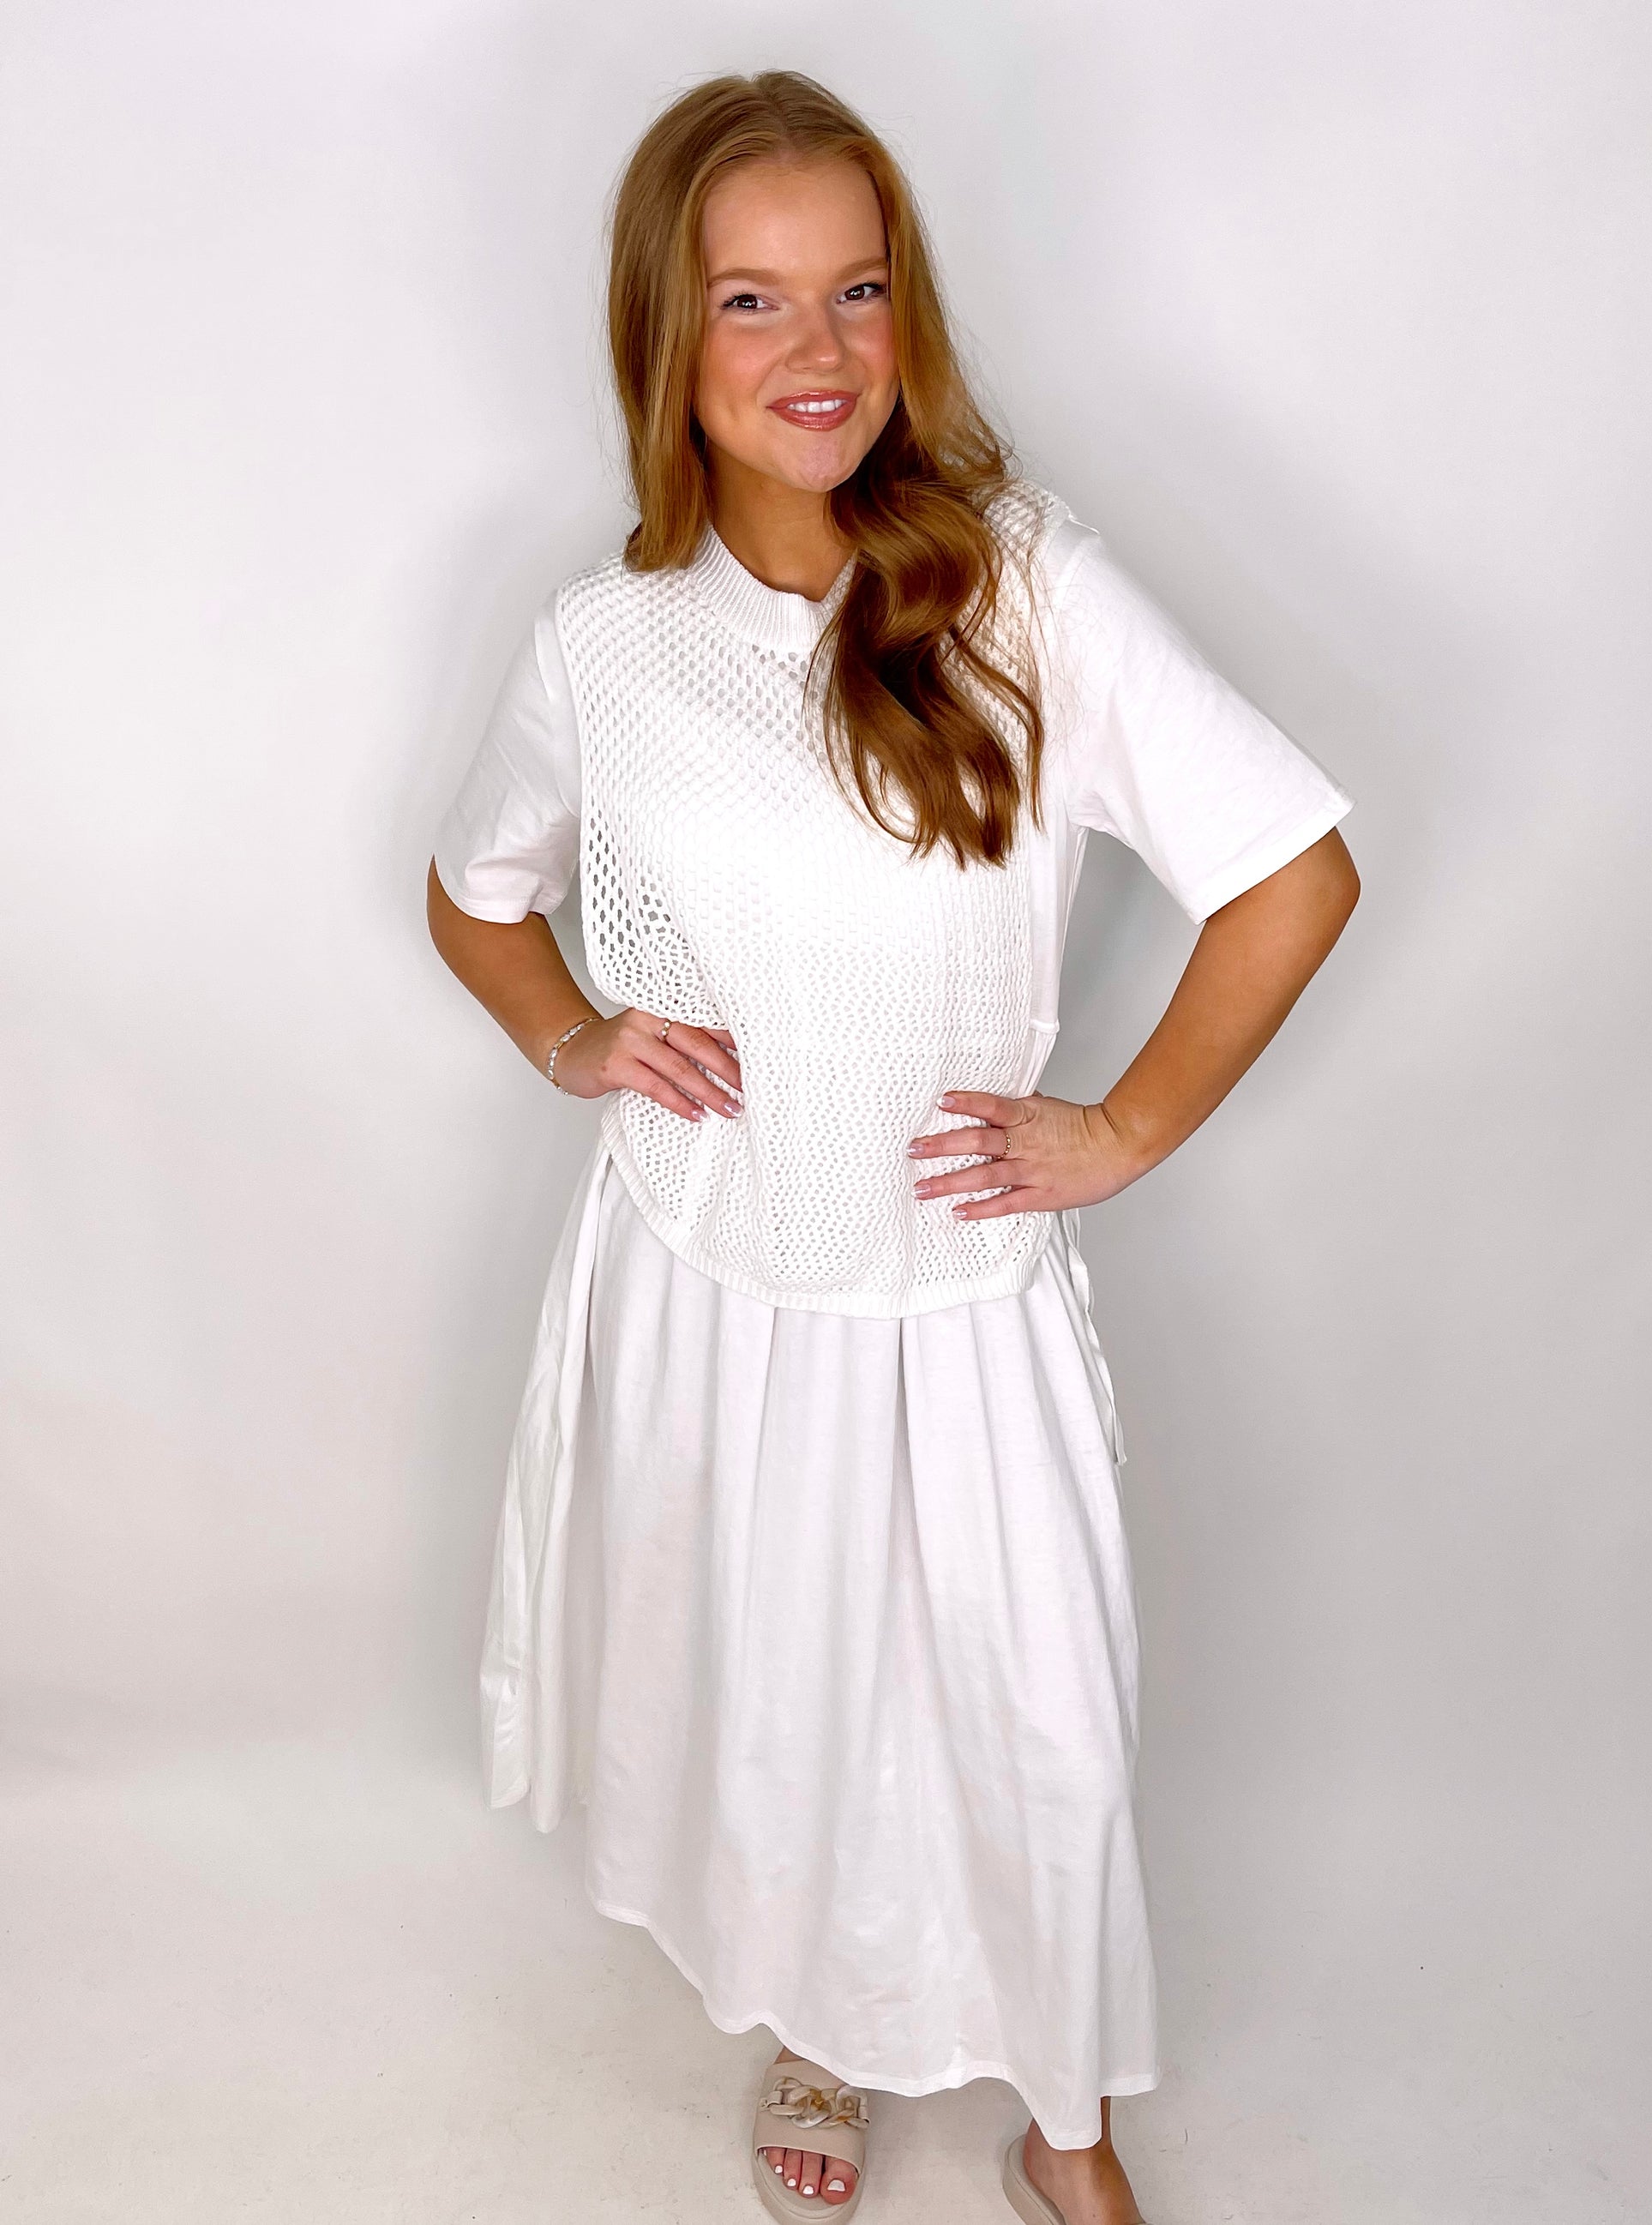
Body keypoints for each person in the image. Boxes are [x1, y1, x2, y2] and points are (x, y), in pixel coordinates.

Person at [427, 69, 1358, 2225]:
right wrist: (573, 1030)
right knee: (780, 1697)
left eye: (857, 289)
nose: (817, 350)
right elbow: (478, 894)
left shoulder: (1025, 588)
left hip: (952, 1287)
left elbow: (1290, 873)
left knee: (1032, 1727)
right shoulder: (606, 644)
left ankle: (1064, 2114)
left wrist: (1123, 1124)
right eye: (750, 300)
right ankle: (820, 2021)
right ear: (665, 334)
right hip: (713, 1278)